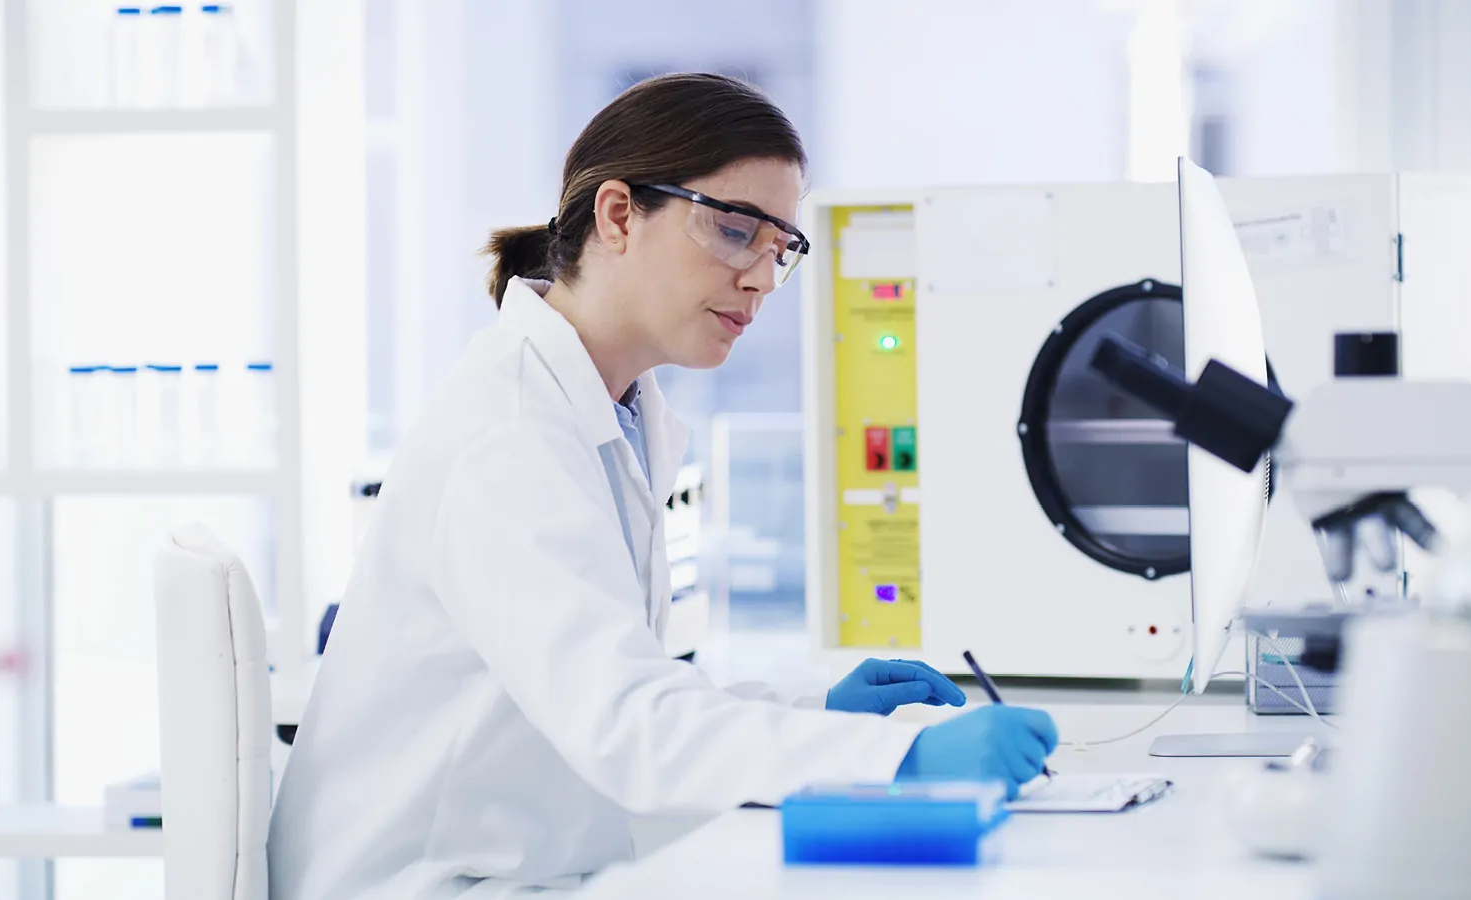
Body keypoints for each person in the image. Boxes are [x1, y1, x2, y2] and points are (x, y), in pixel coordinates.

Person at [266, 73, 1059, 899]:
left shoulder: (612, 413)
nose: (759, 277)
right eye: (734, 229)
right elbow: (629, 726)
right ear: (617, 215)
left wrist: (816, 709)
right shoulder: (509, 435)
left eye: (780, 248)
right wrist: (899, 758)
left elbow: (629, 684)